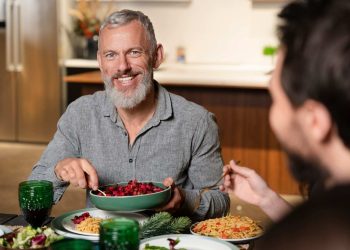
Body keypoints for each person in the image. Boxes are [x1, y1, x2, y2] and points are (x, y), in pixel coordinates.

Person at [29, 9, 229, 220]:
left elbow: (220, 202)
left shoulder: (197, 122)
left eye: (134, 52)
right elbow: (32, 191)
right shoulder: (80, 114)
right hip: (103, 240)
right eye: (111, 55)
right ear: (100, 61)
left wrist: (183, 200)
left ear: (156, 56)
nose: (122, 66)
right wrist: (59, 171)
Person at [220, 0, 350, 247]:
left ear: (315, 120)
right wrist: (267, 198)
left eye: (276, 99)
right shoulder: (332, 190)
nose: (274, 117)